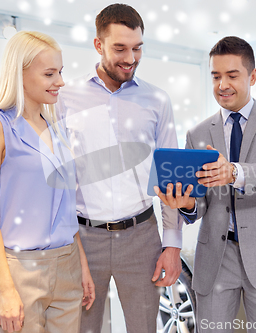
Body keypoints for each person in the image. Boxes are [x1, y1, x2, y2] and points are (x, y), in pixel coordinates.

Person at [155, 36, 256, 332]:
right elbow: (199, 203)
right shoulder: (197, 133)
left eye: (232, 75)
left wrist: (235, 173)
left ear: (253, 76)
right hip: (215, 258)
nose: (222, 84)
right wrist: (184, 203)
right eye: (216, 76)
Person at [57, 4, 183, 332]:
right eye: (120, 48)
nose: (131, 58)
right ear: (98, 45)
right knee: (83, 328)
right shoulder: (64, 97)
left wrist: (172, 244)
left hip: (142, 237)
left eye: (138, 48)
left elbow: (169, 177)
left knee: (144, 327)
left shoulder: (158, 100)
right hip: (84, 239)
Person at [0, 31, 95, 333]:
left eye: (61, 72)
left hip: (67, 264)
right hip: (21, 270)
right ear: (20, 73)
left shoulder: (56, 129)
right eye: (49, 73)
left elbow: (66, 209)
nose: (60, 82)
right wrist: (5, 288)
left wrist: (82, 267)